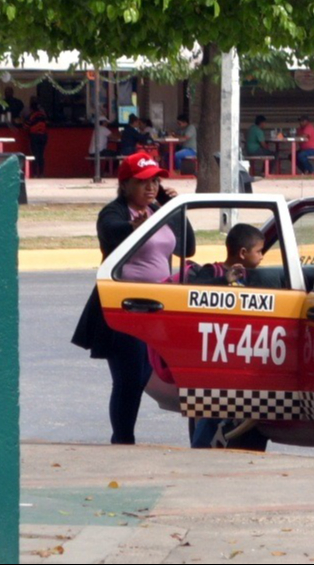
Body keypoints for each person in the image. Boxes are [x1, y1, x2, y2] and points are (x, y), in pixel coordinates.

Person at [71, 152, 196, 445]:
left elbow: (187, 247)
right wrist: (132, 228)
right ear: (125, 184)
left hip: (161, 308)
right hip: (126, 308)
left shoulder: (157, 209)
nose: (150, 187)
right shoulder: (115, 212)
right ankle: (123, 440)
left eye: (155, 181)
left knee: (145, 375)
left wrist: (172, 208)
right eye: (142, 182)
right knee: (128, 380)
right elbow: (111, 233)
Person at [188, 223, 266, 449]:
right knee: (212, 407)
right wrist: (224, 281)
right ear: (243, 253)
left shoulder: (251, 278)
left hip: (239, 354)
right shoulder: (212, 272)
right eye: (259, 251)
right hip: (214, 354)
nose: (262, 256)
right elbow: (194, 292)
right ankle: (200, 449)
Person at [24, 98, 48, 177]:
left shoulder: (31, 116)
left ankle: (34, 173)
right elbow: (47, 124)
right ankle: (41, 173)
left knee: (34, 155)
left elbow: (26, 127)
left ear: (31, 108)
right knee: (41, 155)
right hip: (43, 136)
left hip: (34, 136)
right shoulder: (43, 115)